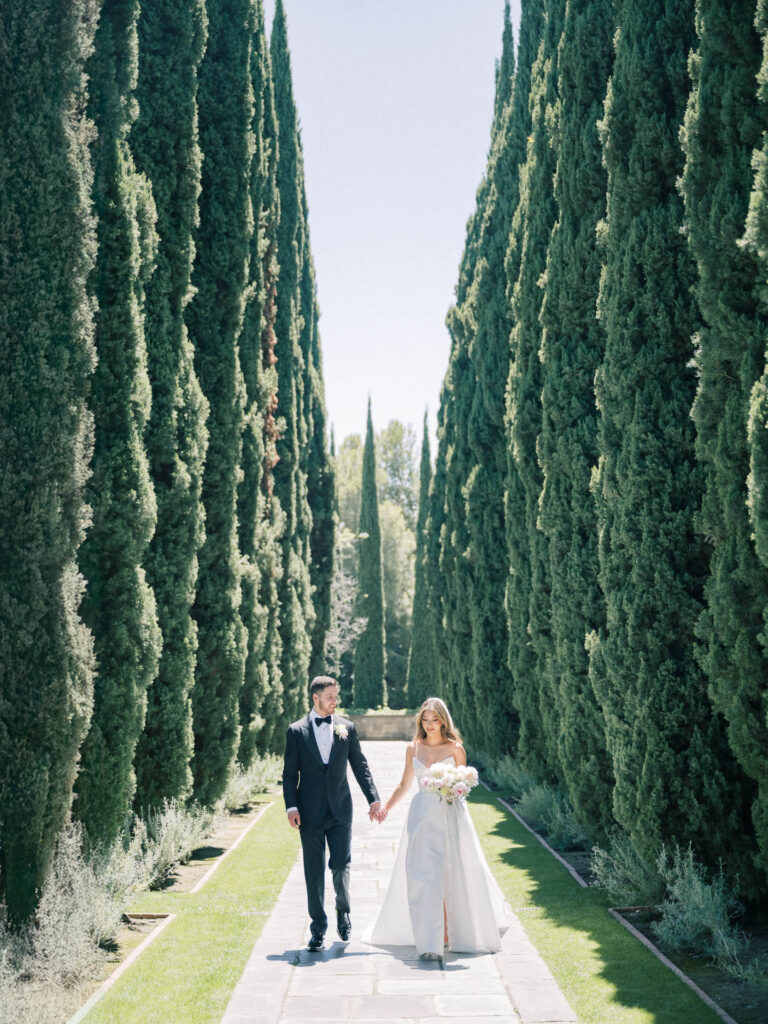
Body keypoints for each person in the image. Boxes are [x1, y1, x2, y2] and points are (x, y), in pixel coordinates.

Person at [363, 697, 513, 960]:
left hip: (451, 815)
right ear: (420, 720)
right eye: (425, 719)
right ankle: (430, 936)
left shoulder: (455, 748)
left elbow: (463, 784)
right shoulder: (413, 748)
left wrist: (453, 787)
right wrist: (385, 807)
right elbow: (404, 785)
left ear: (444, 721)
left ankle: (450, 931)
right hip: (421, 817)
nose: (430, 724)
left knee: (452, 873)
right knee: (425, 875)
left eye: (435, 719)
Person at [283, 675, 382, 951]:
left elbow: (360, 766)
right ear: (315, 698)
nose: (334, 701)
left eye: (336, 696)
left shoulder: (347, 728)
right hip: (309, 813)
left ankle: (343, 909)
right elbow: (289, 774)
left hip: (341, 810)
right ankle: (317, 929)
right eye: (330, 697)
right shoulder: (296, 731)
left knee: (341, 864)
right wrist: (291, 807)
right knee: (313, 871)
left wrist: (373, 799)